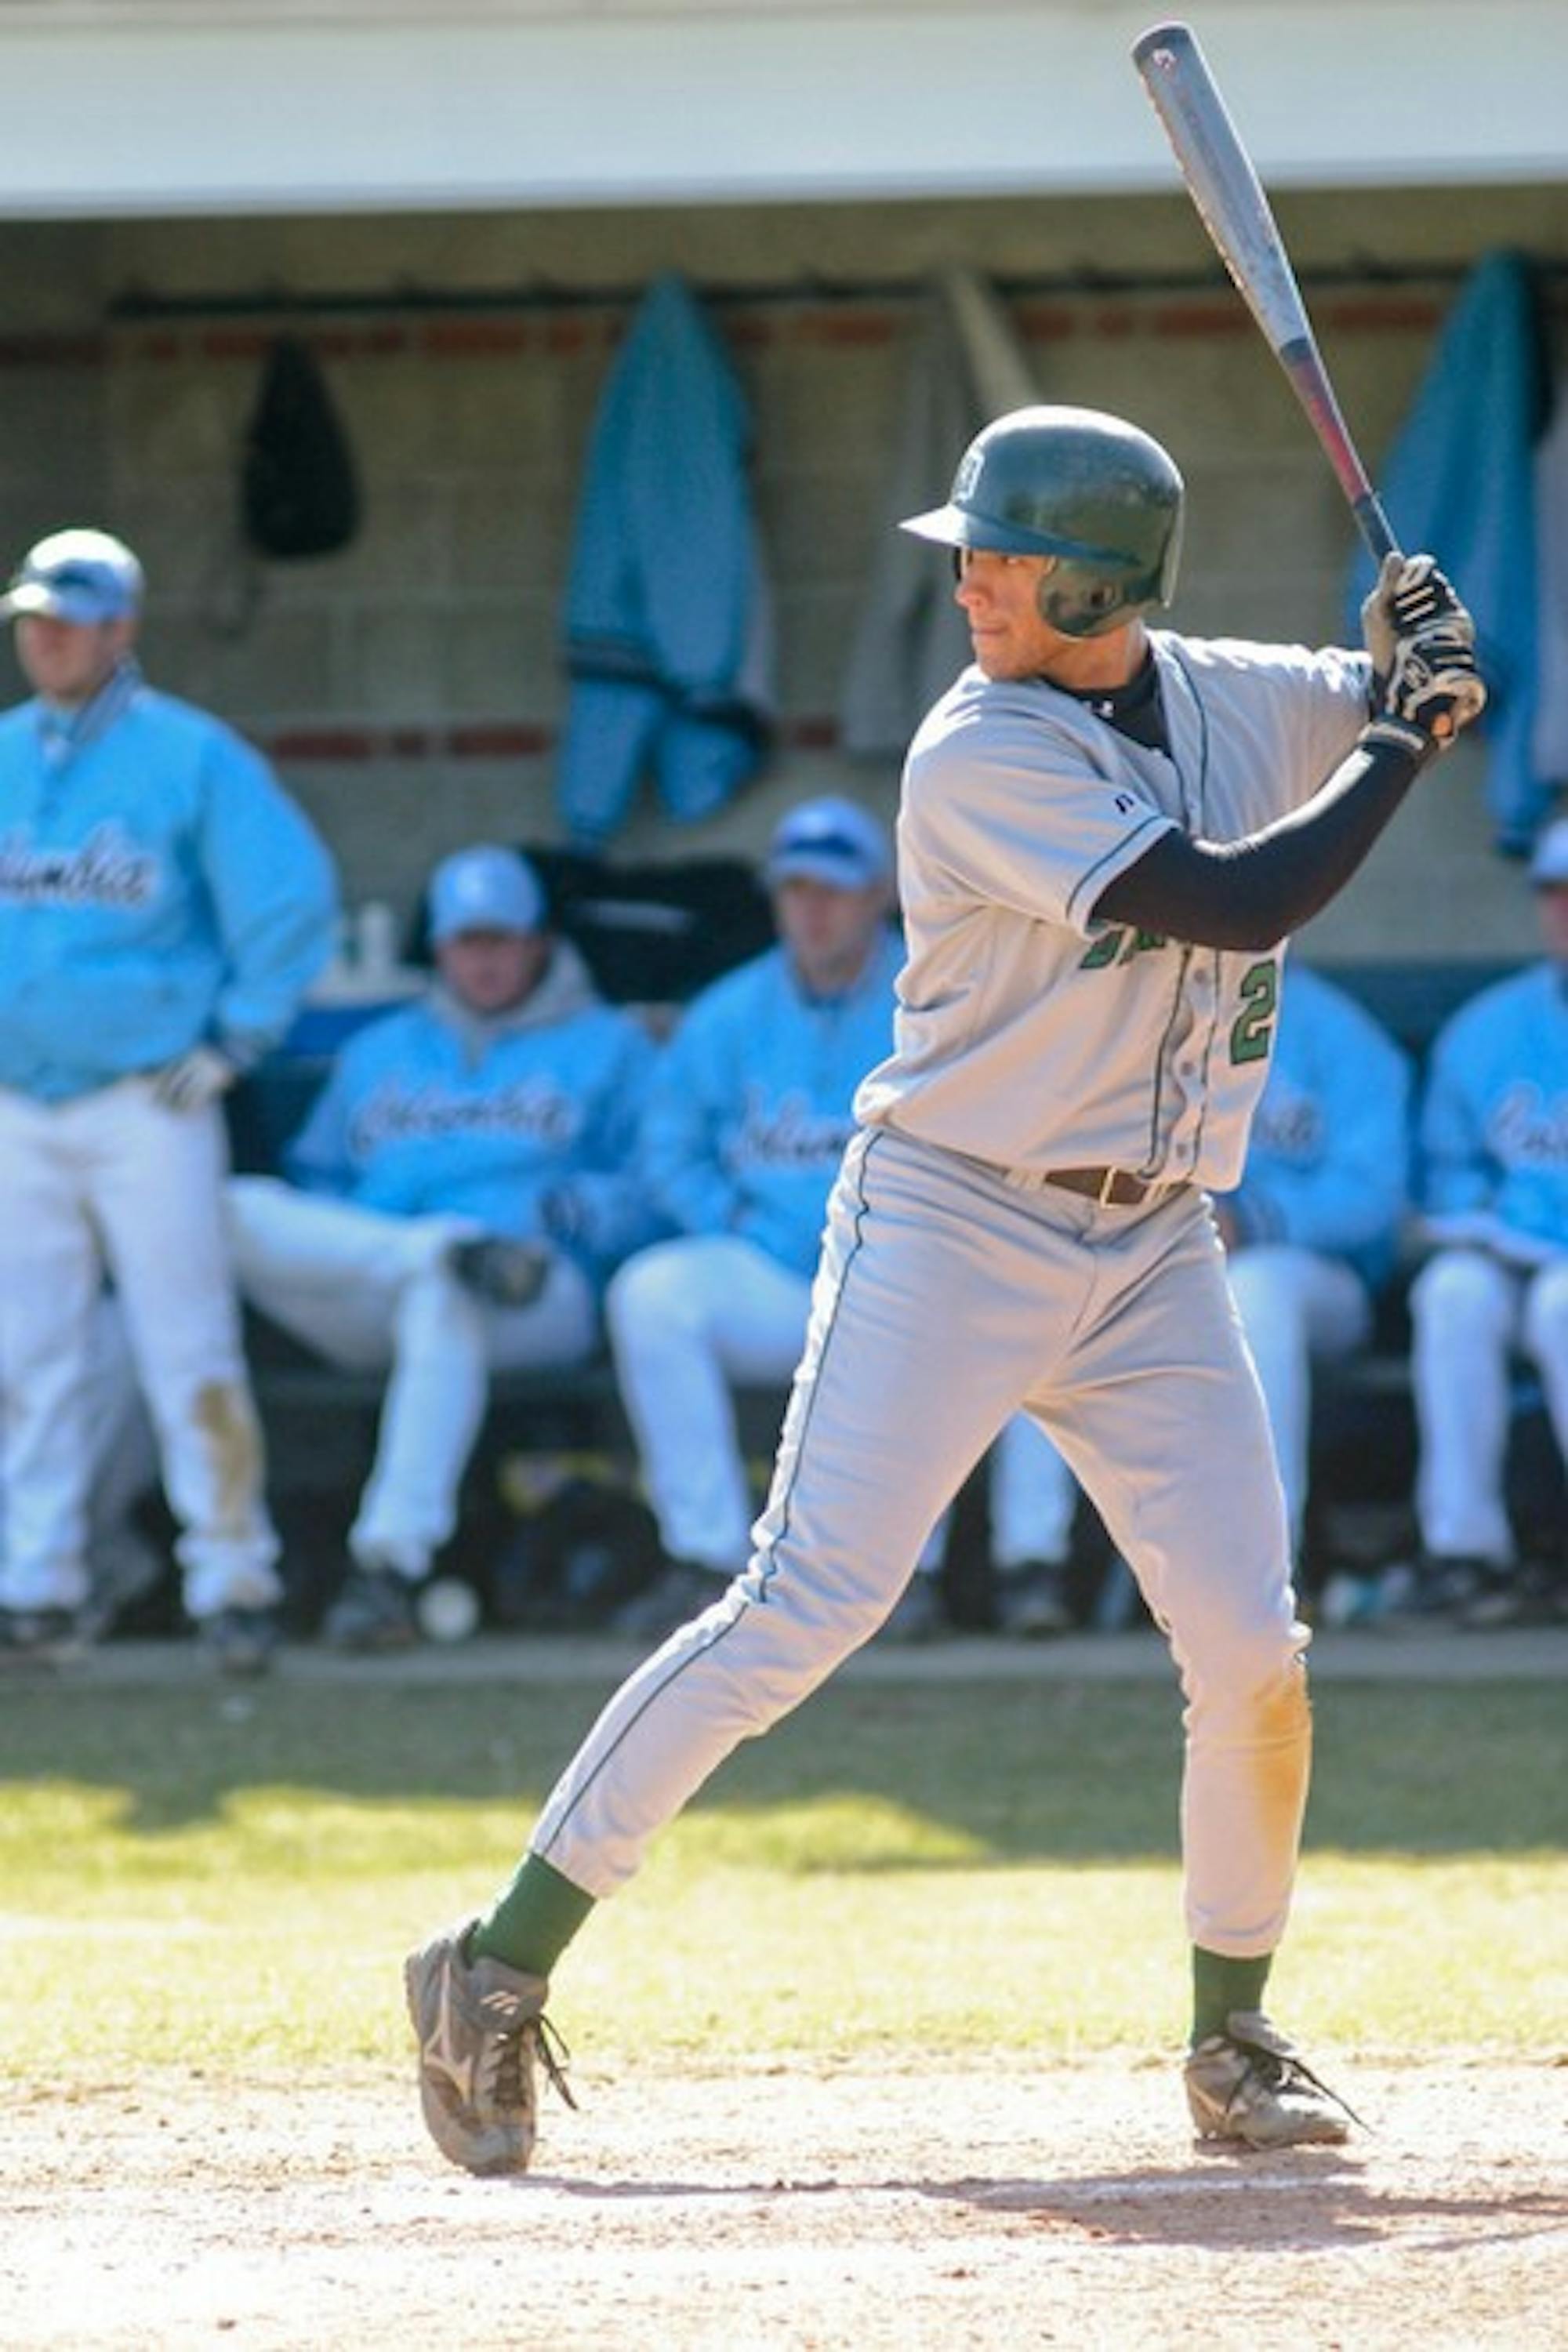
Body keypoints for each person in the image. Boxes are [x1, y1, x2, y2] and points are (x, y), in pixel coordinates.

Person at [401, 404, 1485, 2172]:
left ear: (1099, 583)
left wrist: (1415, 652)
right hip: (955, 1218)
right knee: (799, 1609)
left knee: (1250, 1651)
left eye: (998, 557)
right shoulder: (975, 747)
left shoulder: (1226, 694)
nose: (966, 583)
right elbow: (1235, 897)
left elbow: (1386, 685)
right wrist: (1402, 738)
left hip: (1155, 1244)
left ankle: (1232, 2038)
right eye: (969, 554)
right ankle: (492, 1963)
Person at [604, 793, 1083, 1646]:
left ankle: (952, 1573)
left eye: (832, 890)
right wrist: (731, 1214)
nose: (812, 910)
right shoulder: (727, 1013)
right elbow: (668, 1150)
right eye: (795, 890)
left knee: (1009, 1304)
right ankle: (705, 1557)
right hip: (769, 1264)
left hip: (909, 1265)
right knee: (652, 1295)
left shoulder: (949, 996)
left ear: (877, 896)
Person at [0, 527, 337, 1672]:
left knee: (187, 1347)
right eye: (35, 621)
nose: (48, 641)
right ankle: (38, 1584)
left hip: (149, 1098)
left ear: (121, 627)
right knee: (29, 1357)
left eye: (69, 621)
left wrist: (237, 1039)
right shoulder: (7, 753)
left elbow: (289, 900)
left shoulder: (189, 756)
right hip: (18, 1101)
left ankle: (232, 1580)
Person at [225, 843, 661, 1651]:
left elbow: (654, 1186)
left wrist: (570, 1209)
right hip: (379, 1274)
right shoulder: (379, 1051)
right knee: (229, 1208)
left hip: (535, 1286)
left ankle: (388, 1564)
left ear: (538, 942)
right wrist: (369, 1242)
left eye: (502, 939)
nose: (484, 959)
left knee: (445, 1297)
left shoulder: (611, 1045)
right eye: (467, 941)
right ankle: (439, 1249)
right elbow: (316, 1183)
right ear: (440, 949)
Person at [1402, 815, 1568, 1626]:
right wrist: (1486, 1219)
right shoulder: (1490, 1027)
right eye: (1555, 893)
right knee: (1453, 1293)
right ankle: (1463, 1551)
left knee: (1563, 1304)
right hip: (1511, 1257)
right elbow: (1445, 1172)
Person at [1211, 961, 1413, 1572]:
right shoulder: (1144, 1008)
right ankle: (1035, 1564)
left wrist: (1256, 1220)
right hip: (1171, 1260)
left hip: (1318, 1280)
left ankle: (1265, 1561)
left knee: (1255, 1291)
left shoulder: (1339, 1031)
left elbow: (1375, 1197)